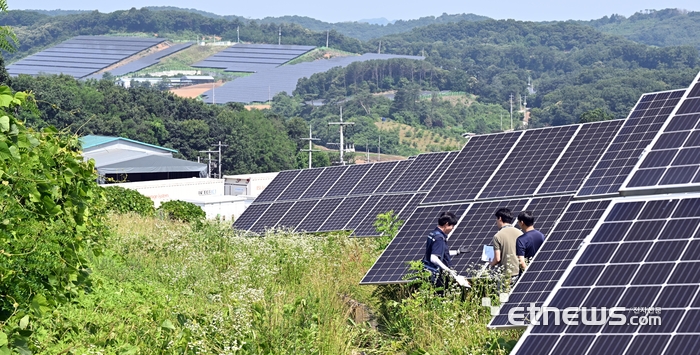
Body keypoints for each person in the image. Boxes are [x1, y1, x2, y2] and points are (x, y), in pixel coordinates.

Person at [421, 212, 470, 290]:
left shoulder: (433, 234)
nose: (453, 228)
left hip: (430, 272)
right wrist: (448, 270)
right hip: (438, 275)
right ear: (446, 224)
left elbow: (440, 253)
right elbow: (433, 258)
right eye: (452, 225)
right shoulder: (439, 238)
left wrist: (457, 252)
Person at [489, 208, 522, 283]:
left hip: (506, 275)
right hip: (519, 273)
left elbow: (497, 259)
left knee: (503, 294)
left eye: (496, 219)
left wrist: (491, 263)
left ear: (500, 218)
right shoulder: (520, 233)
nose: (496, 222)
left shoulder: (498, 236)